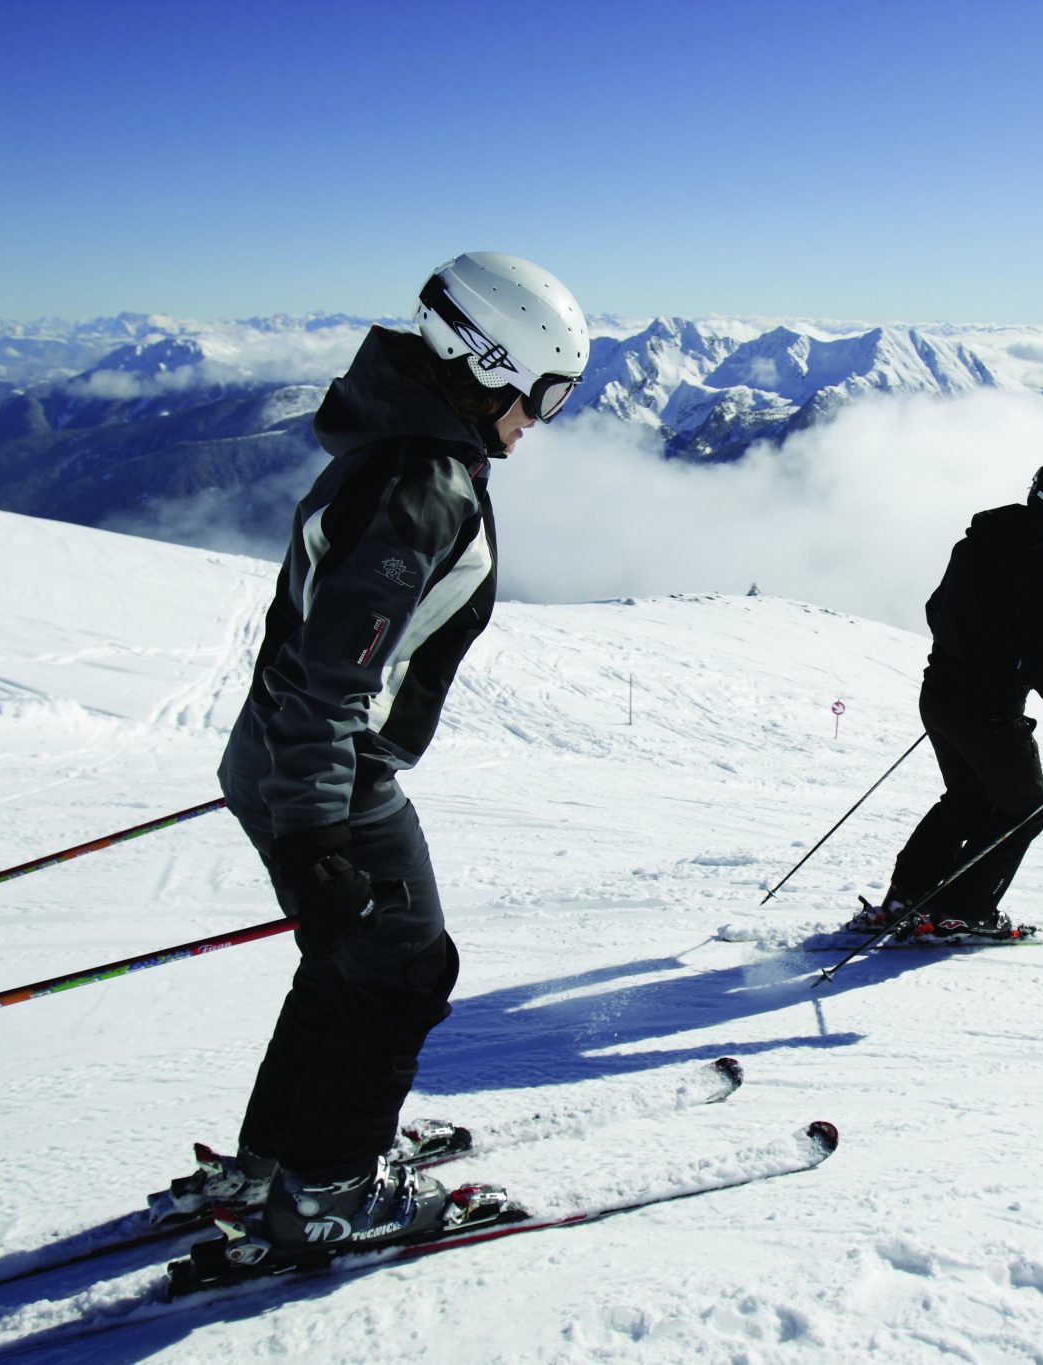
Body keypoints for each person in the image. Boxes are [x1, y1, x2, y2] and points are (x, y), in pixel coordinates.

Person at [199, 252, 587, 1252]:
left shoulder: (392, 443)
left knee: (346, 960)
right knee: (405, 971)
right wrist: (317, 833)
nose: (538, 420)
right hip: (328, 772)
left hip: (285, 756)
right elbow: (336, 679)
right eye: (544, 393)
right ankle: (327, 1190)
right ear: (489, 361)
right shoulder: (420, 483)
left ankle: (275, 1163)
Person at [860, 464, 1043, 939]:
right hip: (987, 712)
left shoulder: (975, 541)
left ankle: (904, 900)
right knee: (1027, 808)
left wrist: (971, 655)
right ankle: (962, 911)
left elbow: (936, 610)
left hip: (940, 697)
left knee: (967, 800)